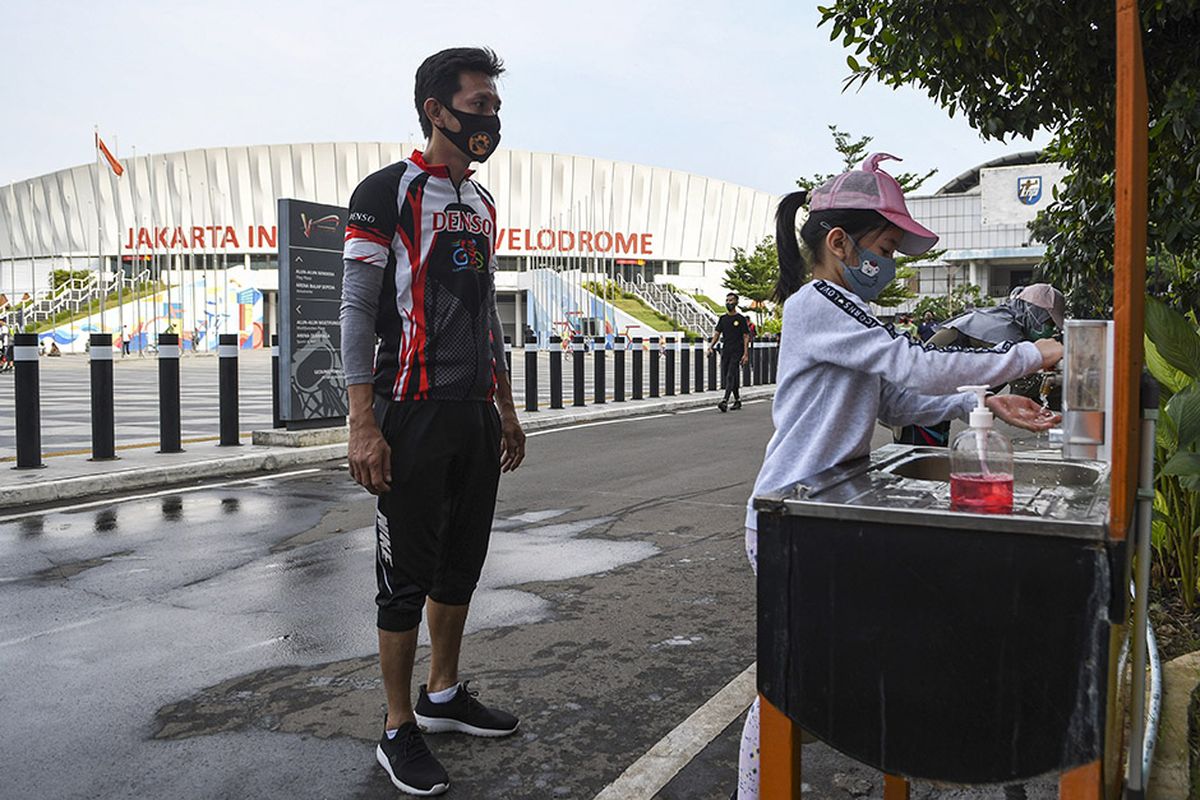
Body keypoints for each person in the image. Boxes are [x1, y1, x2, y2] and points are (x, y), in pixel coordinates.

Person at [735, 154, 1062, 800]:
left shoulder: (849, 309)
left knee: (808, 674)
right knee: (794, 681)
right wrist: (1026, 355)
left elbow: (897, 402)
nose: (889, 264)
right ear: (839, 242)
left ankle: (906, 749)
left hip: (822, 515)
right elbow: (909, 366)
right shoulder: (813, 305)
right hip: (789, 516)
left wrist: (981, 403)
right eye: (884, 247)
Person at [340, 47, 525, 798]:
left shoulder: (481, 204)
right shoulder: (386, 191)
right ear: (436, 110)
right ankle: (396, 728)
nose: (491, 118)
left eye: (494, 105)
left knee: (461, 567)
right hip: (407, 412)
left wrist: (507, 408)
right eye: (478, 104)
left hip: (473, 415)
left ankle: (442, 695)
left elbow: (486, 317)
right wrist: (362, 420)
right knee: (405, 581)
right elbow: (355, 308)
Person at [894, 283, 1066, 446]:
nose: (1051, 331)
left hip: (938, 402)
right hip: (919, 402)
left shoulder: (1002, 320)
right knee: (921, 462)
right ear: (1032, 313)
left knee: (933, 456)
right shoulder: (1003, 331)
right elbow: (1024, 385)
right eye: (1048, 324)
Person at [708, 292, 751, 412]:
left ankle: (725, 400)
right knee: (729, 376)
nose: (728, 303)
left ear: (736, 302)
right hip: (725, 350)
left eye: (731, 300)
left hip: (737, 350)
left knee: (731, 374)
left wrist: (745, 353)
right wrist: (711, 346)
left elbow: (746, 336)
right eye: (727, 300)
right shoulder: (723, 319)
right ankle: (737, 400)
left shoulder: (741, 319)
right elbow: (717, 334)